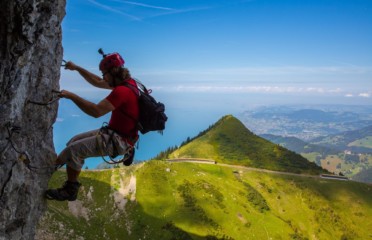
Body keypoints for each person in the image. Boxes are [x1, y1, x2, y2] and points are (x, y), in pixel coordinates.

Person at [46, 51, 139, 201]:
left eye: (104, 74)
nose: (103, 77)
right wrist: (76, 68)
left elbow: (96, 112)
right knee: (73, 141)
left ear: (113, 72)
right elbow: (97, 81)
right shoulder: (129, 83)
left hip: (118, 139)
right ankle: (53, 166)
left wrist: (71, 96)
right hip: (119, 133)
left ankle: (70, 190)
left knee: (74, 150)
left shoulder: (121, 91)